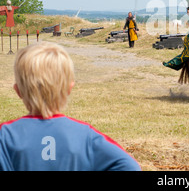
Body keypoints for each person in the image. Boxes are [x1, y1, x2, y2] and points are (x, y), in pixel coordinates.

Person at [0, 42, 141, 171]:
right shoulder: (87, 136)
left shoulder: (4, 136)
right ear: (69, 88)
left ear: (18, 91)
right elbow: (130, 167)